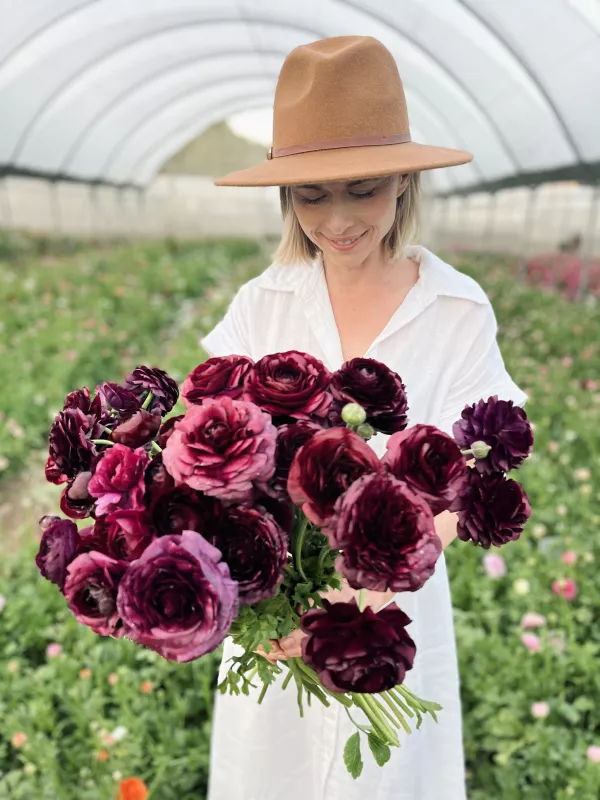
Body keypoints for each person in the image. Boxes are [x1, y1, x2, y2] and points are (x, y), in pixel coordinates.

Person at [201, 35, 528, 800]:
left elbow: (475, 473)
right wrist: (266, 594)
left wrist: (372, 587)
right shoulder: (264, 303)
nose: (338, 219)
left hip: (391, 613)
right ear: (287, 198)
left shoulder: (453, 309)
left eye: (363, 189)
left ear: (404, 181)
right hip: (278, 617)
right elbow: (218, 465)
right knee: (271, 770)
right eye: (313, 196)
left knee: (385, 775)